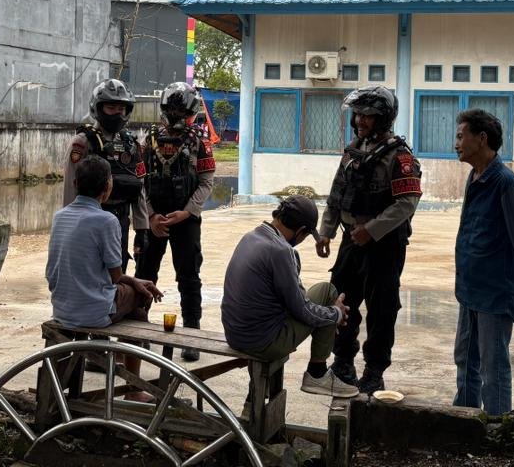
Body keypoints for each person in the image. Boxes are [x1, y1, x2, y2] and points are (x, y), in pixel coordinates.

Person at [317, 86, 421, 394]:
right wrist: (326, 231)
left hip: (384, 245)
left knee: (382, 309)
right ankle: (343, 362)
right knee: (341, 300)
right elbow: (337, 193)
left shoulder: (400, 156)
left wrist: (372, 229)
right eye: (358, 114)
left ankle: (374, 371)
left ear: (383, 118)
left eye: (368, 115)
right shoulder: (353, 150)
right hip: (351, 239)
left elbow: (407, 203)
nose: (361, 120)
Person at [222, 196, 359, 398]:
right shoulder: (281, 251)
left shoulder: (251, 237)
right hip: (261, 342)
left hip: (234, 333)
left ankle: (262, 391)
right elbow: (302, 310)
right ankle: (317, 374)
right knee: (330, 296)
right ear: (301, 231)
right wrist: (335, 314)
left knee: (324, 290)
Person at [451, 108, 514, 416]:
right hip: (470, 287)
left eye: (461, 136)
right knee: (465, 359)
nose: (456, 144)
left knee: (494, 366)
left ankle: (496, 427)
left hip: (495, 290)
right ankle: (464, 418)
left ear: (482, 138)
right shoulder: (474, 177)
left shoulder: (505, 182)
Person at [134, 82, 216, 361]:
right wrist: (151, 216)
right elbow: (139, 181)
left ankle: (191, 334)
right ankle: (138, 330)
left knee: (189, 277)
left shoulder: (200, 141)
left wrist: (188, 212)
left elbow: (206, 183)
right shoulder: (148, 140)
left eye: (182, 111)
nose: (176, 115)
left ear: (191, 112)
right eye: (173, 109)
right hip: (153, 220)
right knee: (144, 274)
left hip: (186, 219)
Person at [47, 155, 163, 331]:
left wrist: (133, 280)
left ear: (75, 183)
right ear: (108, 187)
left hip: (62, 311)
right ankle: (130, 346)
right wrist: (134, 283)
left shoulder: (59, 217)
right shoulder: (107, 221)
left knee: (132, 289)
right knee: (142, 296)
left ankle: (104, 347)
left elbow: (51, 274)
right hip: (95, 314)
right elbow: (115, 276)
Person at [63, 78, 148, 270]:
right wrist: (69, 227)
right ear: (98, 108)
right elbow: (70, 186)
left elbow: (139, 188)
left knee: (118, 272)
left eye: (121, 109)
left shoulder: (131, 144)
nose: (117, 113)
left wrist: (142, 230)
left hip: (121, 222)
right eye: (111, 108)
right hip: (89, 222)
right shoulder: (83, 142)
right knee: (90, 272)